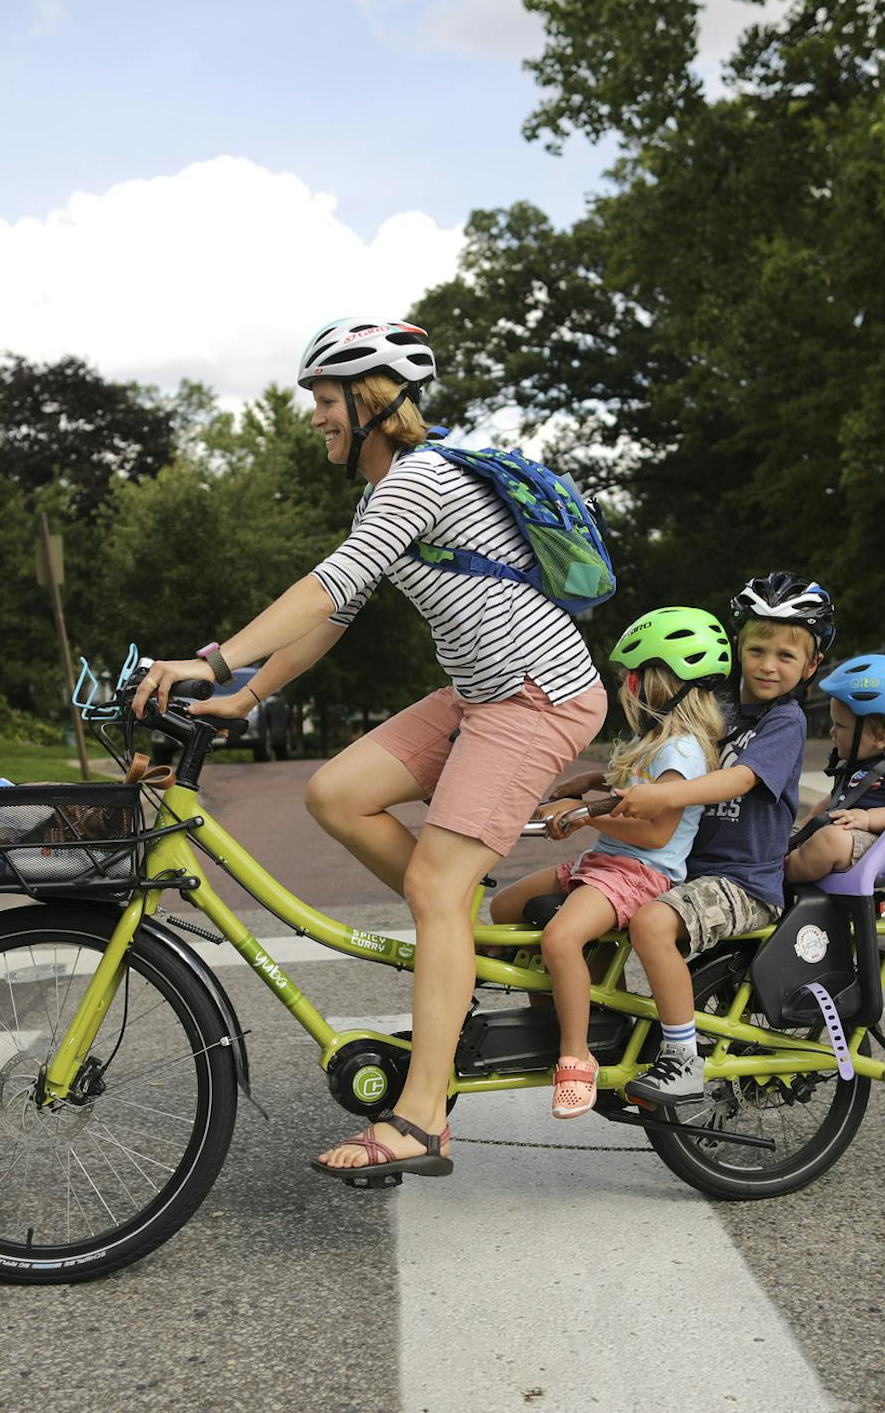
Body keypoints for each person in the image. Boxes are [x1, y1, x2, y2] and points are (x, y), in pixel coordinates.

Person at [129, 316, 607, 1182]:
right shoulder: (385, 493)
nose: (315, 417)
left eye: (324, 400)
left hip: (536, 695)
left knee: (432, 882)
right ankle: (459, 926)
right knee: (337, 791)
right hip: (475, 694)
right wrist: (244, 694)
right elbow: (333, 617)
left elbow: (330, 584)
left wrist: (208, 659)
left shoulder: (419, 478)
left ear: (373, 401)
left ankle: (423, 1118)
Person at [487, 608, 732, 1118]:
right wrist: (590, 784)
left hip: (640, 873)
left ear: (660, 684)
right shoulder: (657, 743)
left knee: (560, 938)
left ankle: (575, 1056)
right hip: (608, 862)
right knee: (506, 906)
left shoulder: (683, 750)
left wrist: (582, 815)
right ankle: (559, 1009)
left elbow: (656, 828)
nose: (626, 686)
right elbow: (631, 786)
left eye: (632, 676)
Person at [606, 573, 832, 1107]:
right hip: (687, 870)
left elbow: (741, 779)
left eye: (785, 655)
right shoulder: (717, 709)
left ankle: (682, 1058)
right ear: (737, 648)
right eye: (756, 649)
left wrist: (666, 800)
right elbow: (662, 761)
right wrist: (603, 786)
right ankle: (597, 1033)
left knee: (651, 923)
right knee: (592, 905)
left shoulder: (785, 721)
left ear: (811, 666)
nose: (768, 665)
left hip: (744, 883)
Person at [785, 654, 885, 885]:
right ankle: (783, 858)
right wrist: (805, 824)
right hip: (847, 835)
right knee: (786, 832)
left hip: (876, 845)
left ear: (879, 737)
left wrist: (867, 818)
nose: (832, 732)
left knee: (831, 840)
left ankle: (784, 873)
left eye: (840, 725)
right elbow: (832, 801)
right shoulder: (858, 765)